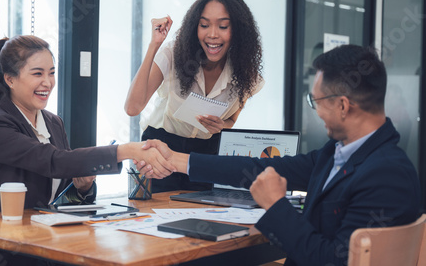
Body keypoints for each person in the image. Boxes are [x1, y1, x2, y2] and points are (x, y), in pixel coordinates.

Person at [141, 44, 422, 266]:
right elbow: (259, 167)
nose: (316, 111)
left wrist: (276, 206)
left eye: (317, 101)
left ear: (344, 106)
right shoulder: (339, 153)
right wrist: (179, 160)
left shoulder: (387, 175)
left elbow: (331, 261)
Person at [0, 35, 174, 214]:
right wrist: (127, 150)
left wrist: (82, 187)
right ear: (10, 80)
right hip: (5, 244)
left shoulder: (53, 123)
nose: (48, 82)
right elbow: (54, 161)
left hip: (46, 239)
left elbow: (66, 196)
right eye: (37, 74)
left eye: (51, 73)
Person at [125, 0, 264, 192]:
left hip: (206, 154)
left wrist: (221, 126)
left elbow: (231, 120)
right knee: (155, 216)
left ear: (238, 30)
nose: (213, 34)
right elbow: (133, 107)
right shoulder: (173, 53)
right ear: (194, 27)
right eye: (204, 25)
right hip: (161, 147)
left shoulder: (246, 74)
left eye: (223, 26)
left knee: (203, 214)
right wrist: (154, 46)